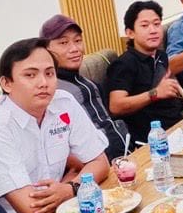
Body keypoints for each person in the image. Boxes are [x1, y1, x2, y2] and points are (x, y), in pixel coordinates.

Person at [0, 38, 109, 213]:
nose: (43, 83)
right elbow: (31, 208)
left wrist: (69, 188)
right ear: (6, 83)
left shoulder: (63, 102)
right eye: (30, 75)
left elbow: (100, 163)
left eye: (49, 73)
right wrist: (74, 186)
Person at [39, 14, 129, 162]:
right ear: (46, 49)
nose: (74, 49)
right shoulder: (51, 92)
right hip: (97, 166)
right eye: (63, 43)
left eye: (78, 41)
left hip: (123, 158)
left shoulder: (88, 83)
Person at [107, 0, 183, 144]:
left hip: (178, 128)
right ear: (130, 33)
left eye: (156, 24)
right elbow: (116, 106)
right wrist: (155, 93)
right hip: (152, 140)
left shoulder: (161, 56)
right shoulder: (124, 64)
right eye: (144, 26)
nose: (153, 30)